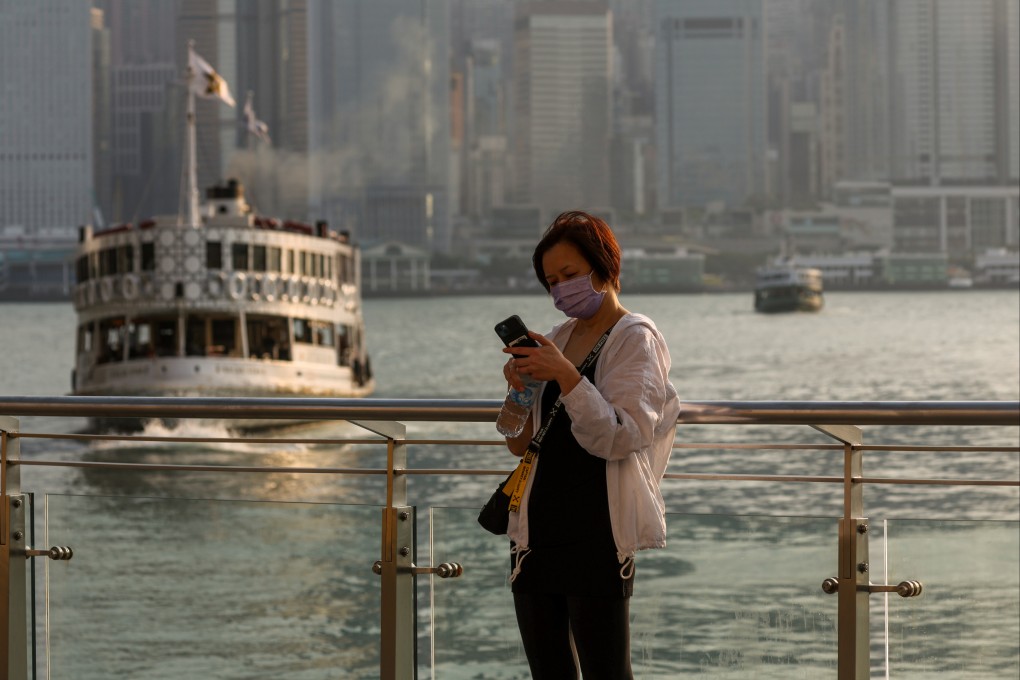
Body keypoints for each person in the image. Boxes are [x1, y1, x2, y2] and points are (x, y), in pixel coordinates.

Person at [500, 210, 681, 679]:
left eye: (570, 274)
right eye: (551, 280)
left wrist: (564, 374)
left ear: (604, 269)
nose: (561, 288)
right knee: (548, 669)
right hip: (536, 530)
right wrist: (517, 390)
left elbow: (622, 436)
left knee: (606, 670)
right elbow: (520, 445)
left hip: (598, 529)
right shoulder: (558, 337)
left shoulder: (634, 337)